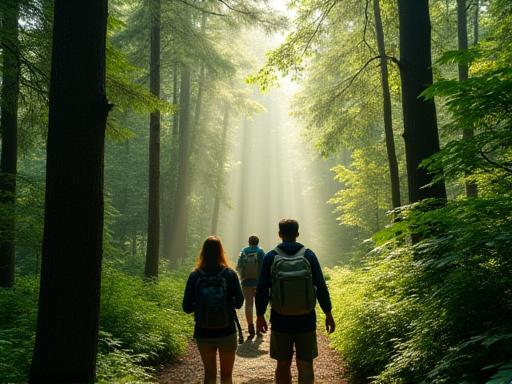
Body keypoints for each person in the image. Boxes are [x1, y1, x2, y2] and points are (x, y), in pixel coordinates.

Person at [256, 219, 336, 384]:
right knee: (305, 365)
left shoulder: (271, 256)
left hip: (280, 319)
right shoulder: (309, 255)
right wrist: (328, 313)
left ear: (280, 234)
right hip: (306, 319)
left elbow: (262, 289)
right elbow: (321, 286)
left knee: (283, 364)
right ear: (297, 234)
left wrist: (260, 315)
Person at [182, 236, 244, 384]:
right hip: (227, 331)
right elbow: (240, 303)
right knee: (226, 376)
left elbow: (186, 307)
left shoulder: (195, 276)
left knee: (209, 376)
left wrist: (202, 304)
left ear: (203, 252)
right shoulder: (230, 274)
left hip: (203, 332)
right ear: (221, 252)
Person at [236, 234, 265, 337]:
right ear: (258, 242)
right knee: (258, 304)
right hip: (259, 283)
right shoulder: (261, 252)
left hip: (246, 282)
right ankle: (258, 328)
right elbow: (264, 268)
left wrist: (242, 276)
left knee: (249, 304)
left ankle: (250, 326)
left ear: (249, 242)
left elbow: (238, 266)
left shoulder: (243, 251)